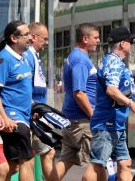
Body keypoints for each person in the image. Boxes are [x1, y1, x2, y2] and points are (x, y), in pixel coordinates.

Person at [91, 26, 135, 181]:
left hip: (116, 123)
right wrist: (131, 104)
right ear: (122, 44)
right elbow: (111, 90)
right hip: (107, 123)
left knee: (125, 163)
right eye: (130, 41)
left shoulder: (114, 61)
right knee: (97, 166)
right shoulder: (114, 63)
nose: (131, 45)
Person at [53, 23, 99, 181]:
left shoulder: (75, 56)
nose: (98, 41)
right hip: (82, 121)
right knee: (95, 163)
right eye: (96, 38)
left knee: (67, 159)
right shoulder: (80, 60)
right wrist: (93, 115)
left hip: (72, 118)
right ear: (85, 39)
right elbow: (79, 93)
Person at [0, 21, 35, 181]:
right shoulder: (4, 59)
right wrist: (4, 117)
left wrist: (33, 108)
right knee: (27, 161)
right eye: (26, 35)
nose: (30, 38)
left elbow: (22, 89)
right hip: (13, 118)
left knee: (12, 166)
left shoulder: (24, 57)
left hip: (24, 116)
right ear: (13, 38)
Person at [18, 22, 55, 181]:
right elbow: (24, 85)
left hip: (35, 112)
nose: (46, 43)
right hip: (32, 113)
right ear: (33, 37)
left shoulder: (33, 56)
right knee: (36, 156)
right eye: (44, 39)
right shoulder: (28, 56)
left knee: (35, 156)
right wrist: (33, 108)